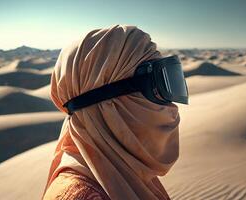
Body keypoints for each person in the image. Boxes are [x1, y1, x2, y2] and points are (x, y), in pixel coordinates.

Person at [42, 24, 182, 200]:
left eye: (169, 79)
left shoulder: (126, 172)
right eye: (156, 85)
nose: (171, 106)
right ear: (107, 103)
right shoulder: (82, 196)